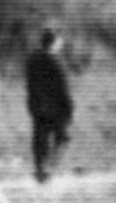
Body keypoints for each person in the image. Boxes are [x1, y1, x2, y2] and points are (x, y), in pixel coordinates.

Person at [24, 29, 77, 183]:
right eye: (60, 41)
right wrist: (69, 108)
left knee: (40, 139)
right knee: (63, 138)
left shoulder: (32, 59)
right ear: (54, 42)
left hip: (35, 105)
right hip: (55, 108)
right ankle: (48, 168)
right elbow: (63, 87)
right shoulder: (56, 61)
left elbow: (29, 82)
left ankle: (39, 170)